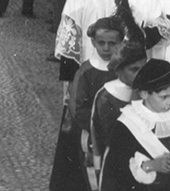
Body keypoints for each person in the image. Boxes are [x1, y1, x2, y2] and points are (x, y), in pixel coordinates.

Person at [98, 59, 170, 191]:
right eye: (164, 97)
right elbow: (115, 173)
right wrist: (151, 166)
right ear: (144, 94)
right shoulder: (126, 124)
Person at [50, 15, 124, 191]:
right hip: (91, 135)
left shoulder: (121, 69)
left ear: (120, 43)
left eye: (112, 44)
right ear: (93, 42)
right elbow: (78, 108)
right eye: (101, 43)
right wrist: (98, 128)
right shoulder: (86, 71)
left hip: (118, 132)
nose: (106, 48)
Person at [91, 41, 148, 176]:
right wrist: (134, 102)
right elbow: (112, 138)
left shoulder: (148, 90)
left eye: (143, 68)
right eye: (134, 69)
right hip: (116, 159)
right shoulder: (107, 96)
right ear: (118, 70)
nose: (141, 74)